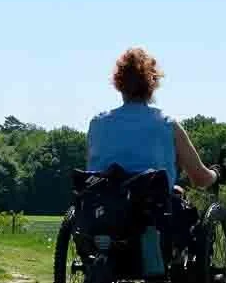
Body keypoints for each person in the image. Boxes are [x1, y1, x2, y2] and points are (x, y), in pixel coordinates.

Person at [86, 46, 217, 190]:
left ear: (119, 83)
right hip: (152, 210)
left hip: (105, 210)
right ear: (152, 84)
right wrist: (217, 173)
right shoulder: (168, 125)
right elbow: (201, 179)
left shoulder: (97, 125)